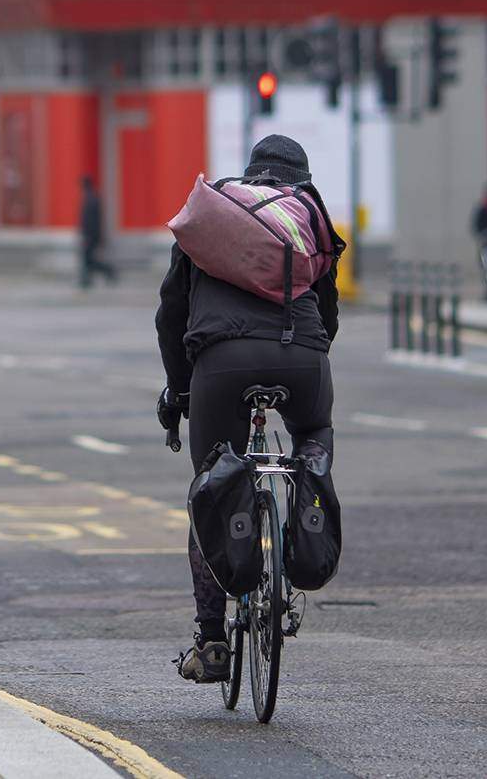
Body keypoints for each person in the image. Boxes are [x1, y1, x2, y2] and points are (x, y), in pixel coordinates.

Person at [154, 134, 343, 684]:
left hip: (223, 362)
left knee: (212, 486)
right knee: (315, 436)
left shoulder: (211, 219)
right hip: (302, 357)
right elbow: (326, 316)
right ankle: (311, 482)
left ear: (249, 174)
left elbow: (171, 315)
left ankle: (211, 640)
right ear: (299, 181)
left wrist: (178, 389)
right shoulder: (306, 220)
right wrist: (307, 356)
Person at [78, 175, 117, 288]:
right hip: (91, 235)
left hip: (91, 236)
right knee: (88, 259)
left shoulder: (91, 199)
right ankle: (88, 279)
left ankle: (108, 271)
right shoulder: (92, 198)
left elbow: (92, 221)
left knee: (88, 259)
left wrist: (89, 236)